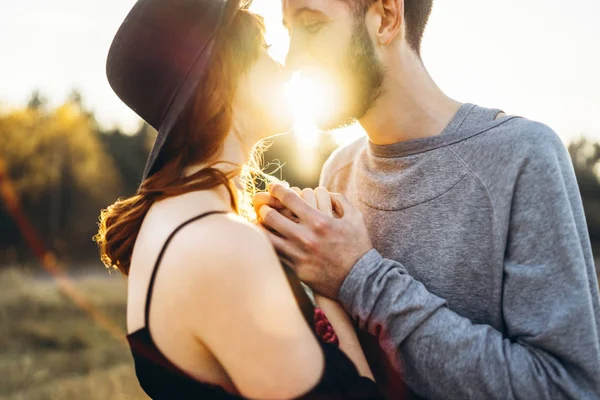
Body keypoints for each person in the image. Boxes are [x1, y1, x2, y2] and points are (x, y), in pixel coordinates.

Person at [255, 0, 600, 399]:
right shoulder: (338, 171)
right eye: (289, 32)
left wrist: (359, 276)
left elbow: (569, 388)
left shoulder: (522, 155)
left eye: (311, 27)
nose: (292, 58)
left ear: (386, 17)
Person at [95, 0, 384, 398]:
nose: (284, 68)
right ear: (223, 75)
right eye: (265, 51)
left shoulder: (168, 221)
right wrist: (331, 275)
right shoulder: (222, 244)